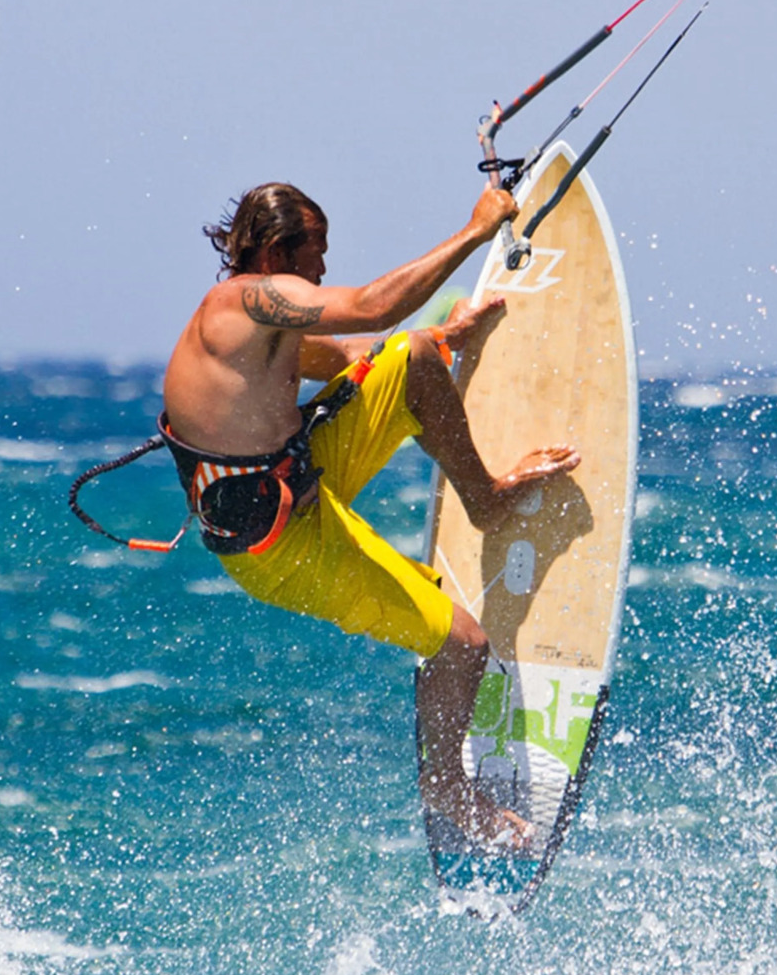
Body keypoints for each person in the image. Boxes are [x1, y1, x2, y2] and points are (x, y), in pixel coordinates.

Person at [161, 181, 580, 848]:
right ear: (275, 252)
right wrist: (475, 231)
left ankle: (484, 499)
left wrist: (440, 338)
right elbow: (366, 307)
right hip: (278, 547)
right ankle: (446, 788)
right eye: (314, 254)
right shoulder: (238, 303)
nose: (322, 270)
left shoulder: (260, 328)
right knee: (462, 643)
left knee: (410, 355)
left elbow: (363, 354)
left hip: (298, 486)